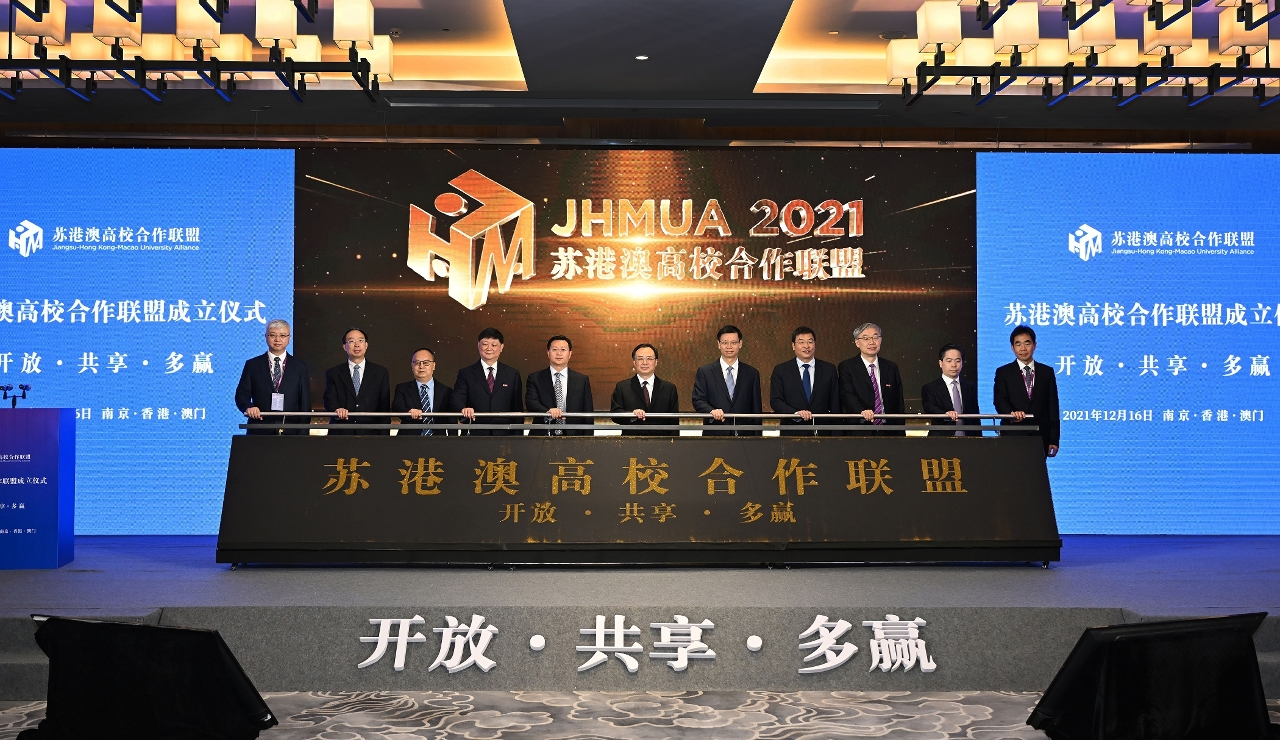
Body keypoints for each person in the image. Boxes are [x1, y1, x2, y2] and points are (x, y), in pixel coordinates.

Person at [235, 319, 311, 435]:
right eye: (273, 335)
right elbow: (241, 394)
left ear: (289, 338)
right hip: (260, 429)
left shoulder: (300, 367)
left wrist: (303, 435)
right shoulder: (253, 365)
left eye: (282, 335)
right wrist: (248, 407)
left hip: (290, 430)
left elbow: (305, 403)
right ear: (266, 336)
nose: (277, 339)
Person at [994, 325, 1061, 457]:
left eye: (1027, 343)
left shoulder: (1047, 372)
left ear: (1034, 345)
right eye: (1018, 344)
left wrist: (1053, 439)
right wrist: (1011, 414)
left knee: (1036, 470)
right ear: (1012, 347)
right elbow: (999, 400)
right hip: (1012, 434)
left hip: (1040, 436)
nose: (1023, 348)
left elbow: (1053, 406)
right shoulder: (1003, 372)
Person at [692, 325, 762, 437]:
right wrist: (711, 411)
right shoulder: (705, 372)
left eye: (733, 342)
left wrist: (758, 438)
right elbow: (698, 400)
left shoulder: (752, 373)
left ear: (740, 344)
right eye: (725, 343)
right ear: (718, 344)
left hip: (745, 436)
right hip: (715, 434)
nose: (729, 346)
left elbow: (756, 410)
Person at [769, 326, 840, 436]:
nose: (806, 346)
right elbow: (776, 401)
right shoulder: (781, 370)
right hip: (792, 432)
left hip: (823, 432)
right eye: (801, 342)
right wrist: (795, 413)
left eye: (810, 342)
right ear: (793, 346)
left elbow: (835, 403)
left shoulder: (829, 369)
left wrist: (837, 435)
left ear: (815, 344)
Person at [452, 327, 523, 436]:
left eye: (494, 345)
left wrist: (518, 438)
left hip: (504, 435)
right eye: (485, 344)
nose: (489, 348)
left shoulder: (512, 374)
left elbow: (517, 409)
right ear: (478, 345)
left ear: (501, 347)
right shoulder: (466, 373)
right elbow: (457, 399)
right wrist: (463, 409)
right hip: (474, 434)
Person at [838, 322, 906, 436]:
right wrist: (861, 411)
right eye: (866, 338)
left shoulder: (891, 367)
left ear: (881, 340)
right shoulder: (847, 367)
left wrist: (901, 432)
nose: (872, 342)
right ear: (857, 343)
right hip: (860, 429)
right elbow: (847, 395)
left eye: (875, 337)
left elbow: (899, 402)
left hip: (889, 430)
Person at [323, 327, 391, 435]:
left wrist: (384, 437)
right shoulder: (333, 373)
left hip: (371, 434)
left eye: (360, 340)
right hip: (341, 433)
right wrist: (337, 409)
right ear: (344, 347)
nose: (357, 345)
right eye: (351, 341)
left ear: (366, 345)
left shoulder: (380, 372)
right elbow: (329, 398)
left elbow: (384, 408)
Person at [525, 335, 595, 436]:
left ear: (570, 354)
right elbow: (531, 402)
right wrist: (547, 411)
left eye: (563, 349)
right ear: (548, 353)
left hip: (574, 436)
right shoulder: (535, 378)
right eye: (554, 349)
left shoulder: (581, 380)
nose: (559, 353)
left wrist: (588, 440)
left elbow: (588, 412)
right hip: (543, 435)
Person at [610, 343, 679, 435]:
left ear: (656, 362)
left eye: (649, 358)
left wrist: (675, 442)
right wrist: (631, 415)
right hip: (632, 440)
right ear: (634, 362)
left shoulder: (669, 388)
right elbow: (615, 414)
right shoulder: (622, 387)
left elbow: (674, 421)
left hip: (662, 441)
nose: (645, 362)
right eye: (640, 359)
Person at [921, 343, 981, 437]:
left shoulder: (969, 387)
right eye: (949, 361)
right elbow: (929, 408)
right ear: (940, 363)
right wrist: (945, 414)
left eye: (958, 361)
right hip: (941, 439)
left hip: (968, 439)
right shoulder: (930, 387)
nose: (954, 365)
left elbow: (975, 417)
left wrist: (979, 439)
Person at [391, 347, 453, 436]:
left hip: (437, 440)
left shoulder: (446, 391)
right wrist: (409, 411)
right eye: (417, 363)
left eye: (426, 363)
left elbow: (451, 420)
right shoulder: (402, 388)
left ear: (434, 365)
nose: (421, 366)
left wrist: (453, 441)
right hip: (409, 440)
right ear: (412, 366)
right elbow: (396, 406)